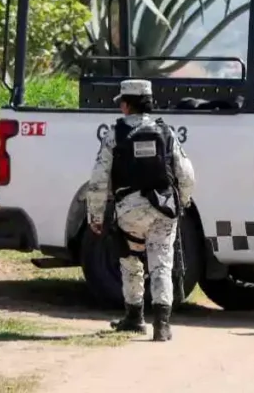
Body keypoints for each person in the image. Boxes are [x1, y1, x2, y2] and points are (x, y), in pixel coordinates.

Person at [85, 79, 195, 342]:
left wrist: (96, 216)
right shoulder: (166, 131)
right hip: (163, 208)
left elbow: (99, 179)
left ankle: (134, 318)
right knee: (162, 264)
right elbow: (187, 174)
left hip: (129, 211)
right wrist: (184, 202)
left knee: (131, 262)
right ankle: (163, 326)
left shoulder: (115, 134)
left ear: (126, 104)